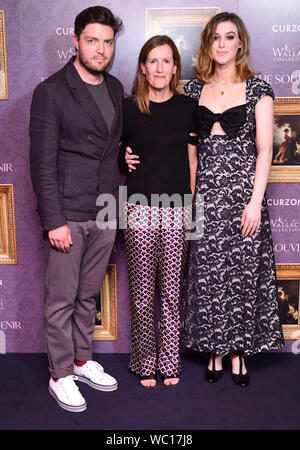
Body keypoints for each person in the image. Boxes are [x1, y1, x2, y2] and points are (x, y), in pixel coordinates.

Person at [182, 12, 285, 388]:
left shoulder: (259, 90)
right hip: (207, 197)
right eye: (216, 38)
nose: (222, 44)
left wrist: (255, 202)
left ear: (240, 43)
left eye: (230, 37)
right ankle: (215, 349)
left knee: (242, 277)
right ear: (208, 43)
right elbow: (190, 150)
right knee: (208, 276)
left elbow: (263, 151)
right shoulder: (193, 92)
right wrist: (194, 198)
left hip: (245, 197)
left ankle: (240, 350)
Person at [30, 6, 123, 412]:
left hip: (105, 209)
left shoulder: (117, 87)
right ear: (76, 41)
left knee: (88, 296)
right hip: (68, 214)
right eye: (92, 41)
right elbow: (42, 162)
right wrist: (54, 221)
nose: (100, 49)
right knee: (61, 300)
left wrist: (126, 159)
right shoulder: (51, 91)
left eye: (107, 42)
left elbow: (109, 149)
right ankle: (60, 374)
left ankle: (83, 360)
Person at [121, 35, 198, 388]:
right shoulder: (128, 107)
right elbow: (116, 147)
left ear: (175, 67)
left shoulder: (187, 108)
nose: (160, 68)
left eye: (166, 61)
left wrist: (193, 203)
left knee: (170, 290)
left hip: (177, 208)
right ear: (142, 66)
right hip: (139, 208)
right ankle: (144, 361)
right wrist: (123, 153)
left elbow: (192, 158)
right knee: (141, 291)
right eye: (153, 61)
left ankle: (169, 361)